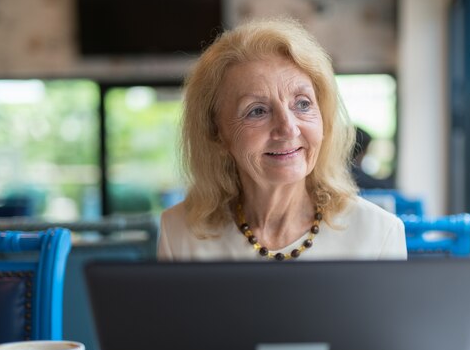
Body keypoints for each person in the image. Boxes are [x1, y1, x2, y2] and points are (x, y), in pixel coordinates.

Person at [158, 17, 406, 261]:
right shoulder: (179, 234)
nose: (288, 129)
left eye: (302, 104)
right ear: (216, 134)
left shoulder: (379, 235)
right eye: (257, 110)